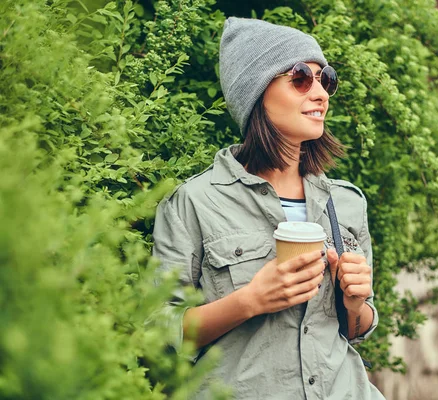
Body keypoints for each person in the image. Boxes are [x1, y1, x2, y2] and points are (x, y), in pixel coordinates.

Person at [152, 17, 384, 399]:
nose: (321, 93)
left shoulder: (345, 203)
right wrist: (249, 301)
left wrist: (356, 304)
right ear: (256, 92)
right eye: (299, 78)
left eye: (324, 79)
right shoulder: (194, 202)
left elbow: (355, 328)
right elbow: (157, 333)